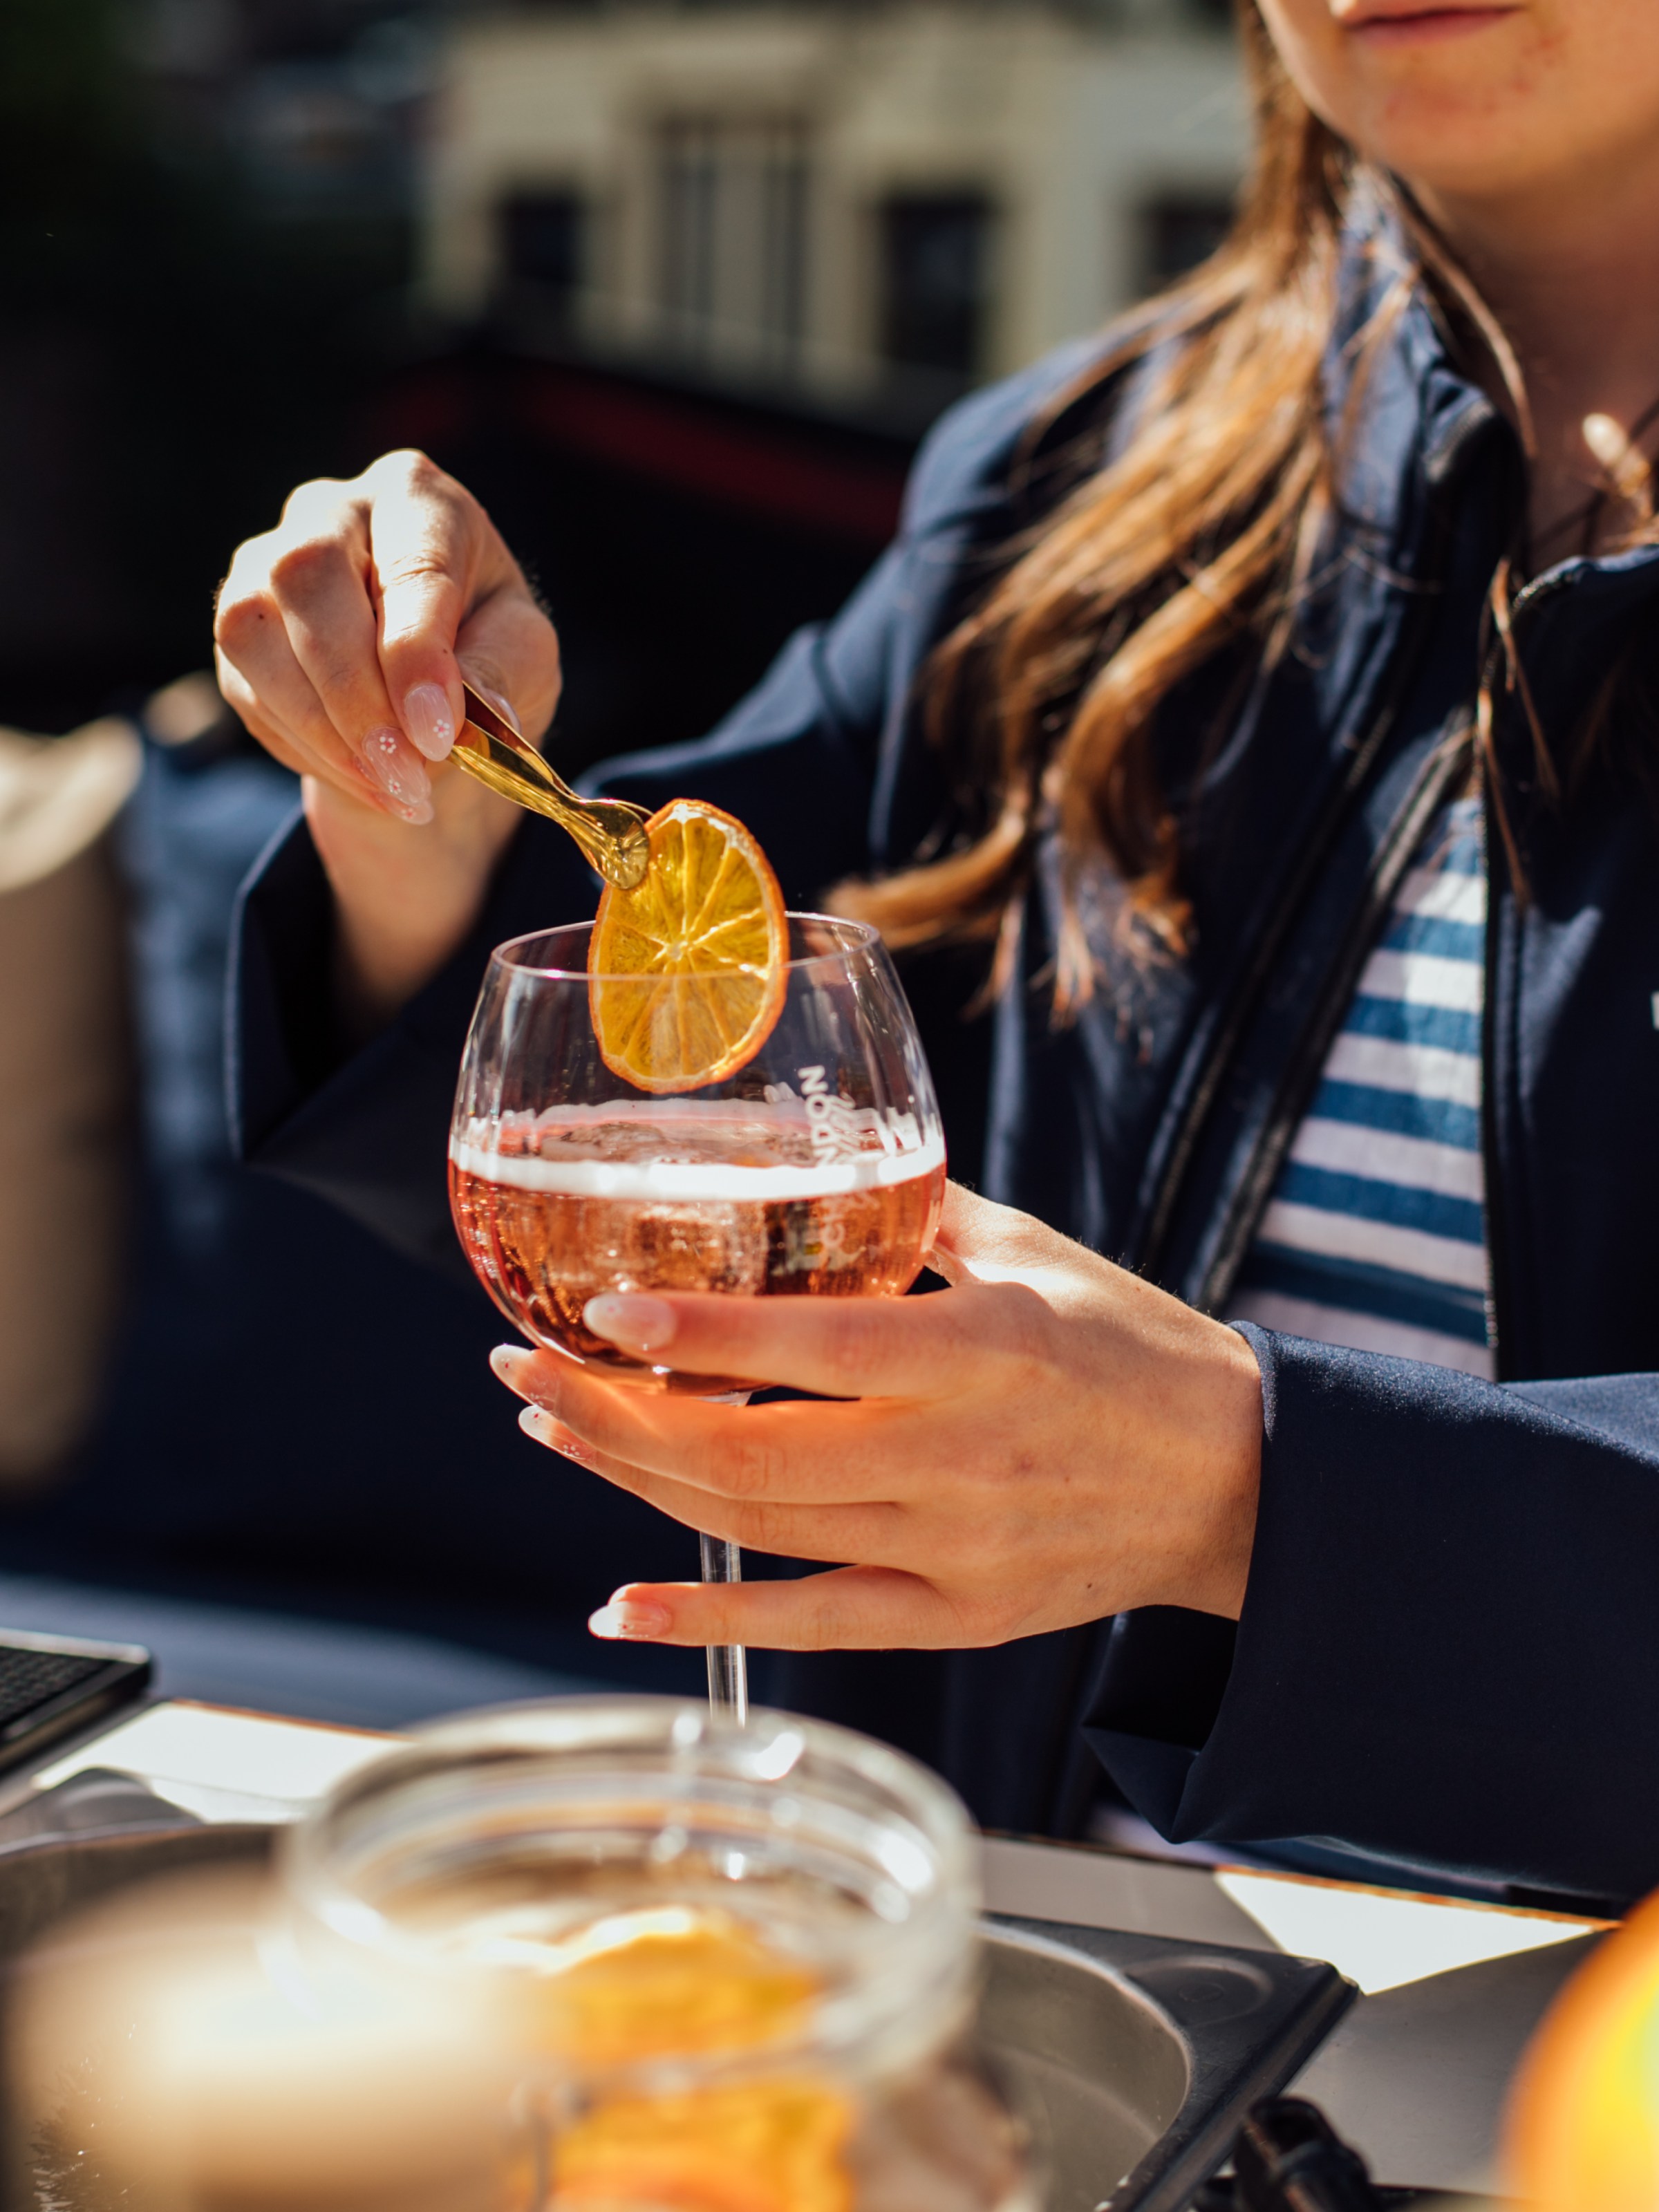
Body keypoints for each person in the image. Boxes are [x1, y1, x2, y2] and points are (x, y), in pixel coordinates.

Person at [216, 0, 1659, 1909]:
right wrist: (420, 773)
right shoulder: (1073, 491)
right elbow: (643, 1018)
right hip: (1074, 1985)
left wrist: (1254, 1495)